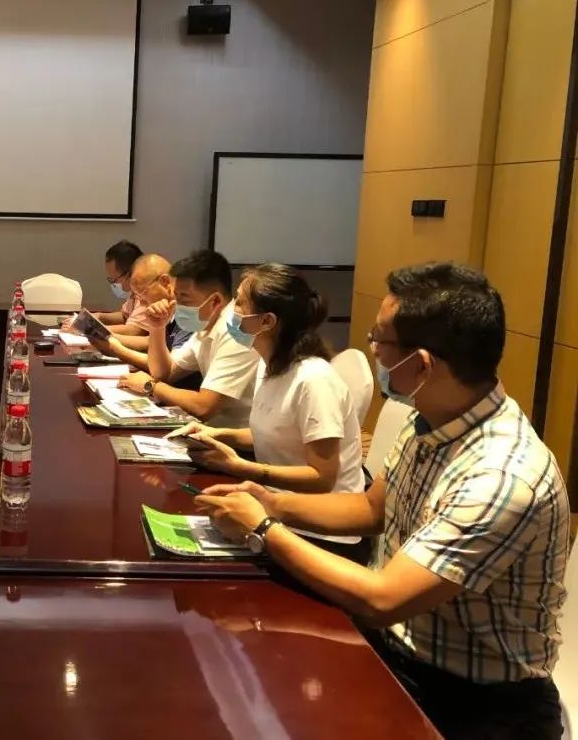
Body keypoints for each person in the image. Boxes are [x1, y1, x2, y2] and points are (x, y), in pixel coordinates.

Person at [195, 262, 568, 739]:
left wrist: (264, 529)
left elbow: (384, 599)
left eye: (379, 340)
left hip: (476, 703)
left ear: (422, 364)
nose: (369, 349)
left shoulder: (500, 475)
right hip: (401, 654)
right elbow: (371, 509)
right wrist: (269, 502)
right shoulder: (428, 420)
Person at [169, 264, 368, 562]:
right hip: (276, 507)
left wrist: (241, 466)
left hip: (321, 535)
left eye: (239, 303)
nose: (231, 310)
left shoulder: (314, 379)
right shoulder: (268, 364)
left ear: (266, 321)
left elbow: (322, 477)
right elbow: (275, 433)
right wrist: (217, 434)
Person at [117, 250, 259, 427]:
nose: (175, 304)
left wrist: (150, 386)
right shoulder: (205, 326)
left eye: (184, 298)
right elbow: (164, 373)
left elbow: (203, 407)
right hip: (209, 430)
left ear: (215, 301)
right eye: (175, 296)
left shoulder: (236, 332)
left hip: (233, 437)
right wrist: (157, 327)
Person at [95, 254, 193, 370]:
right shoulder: (167, 310)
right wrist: (108, 338)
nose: (141, 303)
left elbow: (169, 371)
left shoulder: (189, 313)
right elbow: (151, 344)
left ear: (165, 282)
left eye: (144, 293)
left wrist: (117, 349)